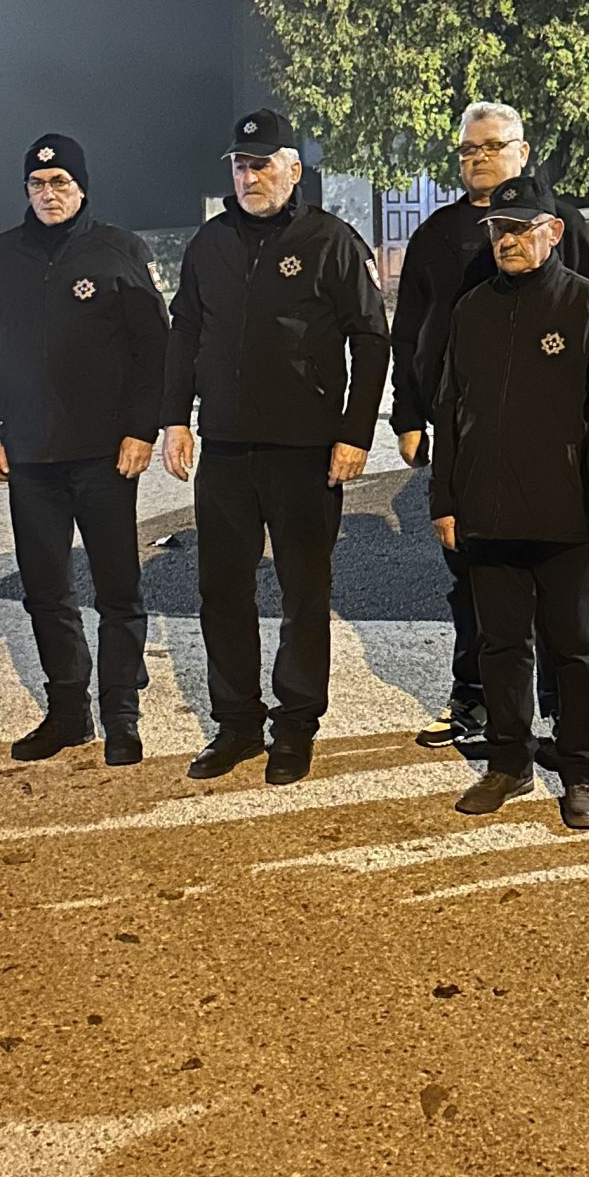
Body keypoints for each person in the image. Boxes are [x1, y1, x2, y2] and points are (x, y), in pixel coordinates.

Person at [161, 107, 389, 785]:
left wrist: (354, 432)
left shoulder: (331, 241)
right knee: (221, 592)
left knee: (303, 594)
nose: (249, 176)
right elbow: (184, 332)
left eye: (261, 164)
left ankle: (295, 726)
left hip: (305, 450)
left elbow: (371, 340)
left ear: (292, 169)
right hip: (227, 449)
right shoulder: (210, 244)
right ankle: (236, 724)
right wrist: (174, 419)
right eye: (240, 165)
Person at [390, 99, 589, 742]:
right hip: (467, 433)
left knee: (561, 603)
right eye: (468, 149)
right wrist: (408, 413)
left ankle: (561, 716)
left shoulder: (563, 224)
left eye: (491, 146)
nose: (478, 158)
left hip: (551, 445)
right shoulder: (435, 234)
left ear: (522, 151)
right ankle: (476, 699)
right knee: (473, 587)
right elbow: (409, 331)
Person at [0, 133, 170, 766]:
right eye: (37, 184)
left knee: (118, 592)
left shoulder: (118, 250)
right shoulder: (0, 256)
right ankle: (68, 713)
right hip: (30, 457)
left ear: (81, 188)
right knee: (46, 592)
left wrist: (142, 429)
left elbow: (153, 349)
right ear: (26, 189)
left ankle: (122, 717)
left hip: (105, 455)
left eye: (60, 183)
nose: (48, 194)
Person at [428, 169, 589, 828]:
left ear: (552, 232)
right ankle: (509, 761)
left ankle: (583, 771)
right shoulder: (472, 309)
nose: (506, 240)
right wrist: (444, 499)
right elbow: (449, 409)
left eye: (518, 229)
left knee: (576, 648)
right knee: (501, 646)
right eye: (497, 230)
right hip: (487, 510)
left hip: (565, 512)